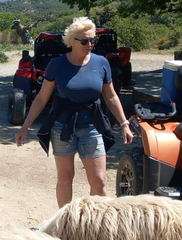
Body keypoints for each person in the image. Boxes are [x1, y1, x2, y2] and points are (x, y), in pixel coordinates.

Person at [15, 17, 134, 208]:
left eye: (93, 40)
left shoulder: (101, 63)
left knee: (99, 181)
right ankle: (65, 224)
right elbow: (41, 98)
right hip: (63, 128)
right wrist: (25, 126)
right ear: (72, 41)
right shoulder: (57, 65)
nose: (90, 45)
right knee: (65, 178)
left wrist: (124, 124)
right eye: (85, 41)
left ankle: (97, 224)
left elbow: (111, 97)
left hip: (92, 126)